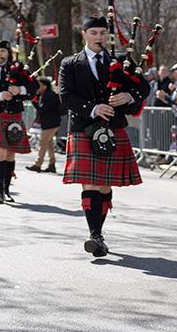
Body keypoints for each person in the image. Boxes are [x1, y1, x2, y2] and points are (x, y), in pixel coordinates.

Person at [58, 16, 150, 257]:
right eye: (94, 33)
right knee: (90, 182)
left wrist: (127, 97)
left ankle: (97, 233)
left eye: (102, 33)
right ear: (84, 34)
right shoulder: (70, 64)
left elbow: (143, 88)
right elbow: (65, 96)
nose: (99, 37)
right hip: (83, 128)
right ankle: (95, 235)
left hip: (113, 128)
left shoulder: (121, 62)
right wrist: (93, 108)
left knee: (104, 184)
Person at [0, 40, 37, 204]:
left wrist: (20, 90)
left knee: (10, 153)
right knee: (0, 152)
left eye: (3, 51)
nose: (0, 54)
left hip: (14, 115)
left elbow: (33, 89)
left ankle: (7, 189)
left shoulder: (18, 69)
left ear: (8, 53)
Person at [27, 78, 64, 173]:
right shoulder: (43, 95)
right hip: (49, 122)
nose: (37, 87)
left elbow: (43, 109)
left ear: (45, 86)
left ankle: (38, 164)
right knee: (49, 144)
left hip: (51, 123)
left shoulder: (49, 95)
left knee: (43, 143)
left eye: (39, 85)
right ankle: (52, 164)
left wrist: (34, 103)